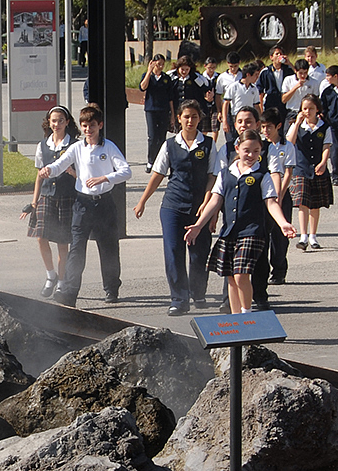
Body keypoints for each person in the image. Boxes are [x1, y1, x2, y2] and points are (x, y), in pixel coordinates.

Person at [184, 129, 296, 314]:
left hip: (252, 232)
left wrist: (283, 223)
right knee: (230, 277)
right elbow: (215, 201)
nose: (251, 155)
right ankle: (237, 320)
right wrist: (198, 225)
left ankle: (246, 315)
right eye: (247, 150)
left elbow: (271, 202)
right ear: (237, 148)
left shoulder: (262, 175)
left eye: (256, 151)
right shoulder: (225, 174)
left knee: (241, 274)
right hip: (229, 233)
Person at [38, 103, 132, 307]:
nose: (88, 130)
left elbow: (126, 171)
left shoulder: (108, 147)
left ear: (100, 125)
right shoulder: (77, 147)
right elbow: (60, 164)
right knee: (77, 248)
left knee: (108, 248)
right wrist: (48, 170)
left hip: (104, 204)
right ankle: (70, 292)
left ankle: (111, 288)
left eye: (92, 126)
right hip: (82, 204)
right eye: (84, 126)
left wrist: (104, 178)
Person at [134, 99, 217, 316]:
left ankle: (198, 293)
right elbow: (158, 174)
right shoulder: (170, 145)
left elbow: (213, 176)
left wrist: (207, 201)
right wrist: (143, 200)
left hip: (200, 208)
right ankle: (179, 299)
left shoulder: (208, 144)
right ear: (178, 118)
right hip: (173, 205)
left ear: (200, 119)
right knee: (173, 252)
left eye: (195, 116)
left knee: (199, 253)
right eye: (186, 116)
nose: (190, 121)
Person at [21, 105, 79, 298]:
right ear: (49, 123)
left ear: (67, 122)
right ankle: (50, 275)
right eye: (54, 121)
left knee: (63, 243)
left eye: (61, 120)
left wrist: (71, 172)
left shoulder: (75, 145)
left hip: (66, 197)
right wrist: (34, 201)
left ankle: (62, 281)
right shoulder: (43, 145)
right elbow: (39, 175)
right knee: (41, 237)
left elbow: (82, 175)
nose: (57, 124)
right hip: (47, 196)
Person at [286, 94, 334, 252]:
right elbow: (290, 142)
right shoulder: (297, 125)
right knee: (302, 202)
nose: (307, 111)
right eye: (304, 108)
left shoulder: (324, 127)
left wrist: (323, 163)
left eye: (311, 108)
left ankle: (313, 236)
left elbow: (327, 146)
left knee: (315, 204)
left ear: (317, 109)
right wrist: (298, 122)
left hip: (318, 167)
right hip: (301, 167)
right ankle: (303, 235)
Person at [261, 107, 296, 286]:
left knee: (280, 236)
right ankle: (263, 270)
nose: (265, 131)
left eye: (269, 127)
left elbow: (288, 173)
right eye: (263, 127)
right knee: (264, 235)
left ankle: (279, 270)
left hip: (282, 193)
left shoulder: (287, 146)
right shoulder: (261, 146)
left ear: (278, 126)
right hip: (264, 196)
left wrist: (279, 195)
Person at [139, 54, 174, 172]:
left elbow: (171, 98)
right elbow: (143, 87)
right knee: (152, 136)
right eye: (158, 64)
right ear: (153, 63)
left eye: (162, 64)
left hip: (163, 110)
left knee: (162, 137)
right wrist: (149, 71)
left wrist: (172, 115)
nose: (160, 67)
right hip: (151, 109)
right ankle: (150, 160)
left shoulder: (166, 78)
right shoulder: (148, 76)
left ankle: (161, 160)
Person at [220, 61, 261, 141]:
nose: (257, 77)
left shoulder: (254, 89)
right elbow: (226, 103)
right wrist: (225, 121)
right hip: (235, 117)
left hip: (249, 117)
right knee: (232, 141)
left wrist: (260, 120)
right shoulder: (234, 87)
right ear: (248, 74)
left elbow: (256, 105)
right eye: (255, 75)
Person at [279, 58, 321, 124]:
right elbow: (284, 99)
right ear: (295, 70)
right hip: (292, 113)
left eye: (305, 73)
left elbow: (316, 100)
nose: (303, 75)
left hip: (307, 114)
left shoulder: (314, 82)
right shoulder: (288, 80)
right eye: (300, 73)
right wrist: (296, 87)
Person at [257, 44, 294, 112]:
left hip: (285, 104)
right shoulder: (266, 72)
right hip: (270, 103)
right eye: (277, 54)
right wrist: (261, 109)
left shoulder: (288, 70)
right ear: (271, 57)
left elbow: (298, 75)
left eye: (281, 53)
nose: (279, 55)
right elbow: (260, 91)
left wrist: (289, 63)